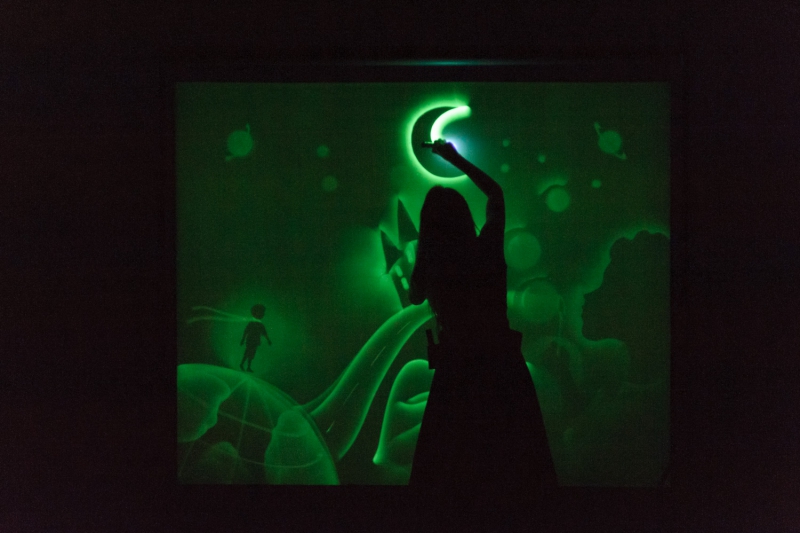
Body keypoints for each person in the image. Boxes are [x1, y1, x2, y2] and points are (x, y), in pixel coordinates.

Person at [408, 140, 556, 500]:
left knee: (452, 464)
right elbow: (495, 194)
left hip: (457, 370)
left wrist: (426, 247)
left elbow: (414, 295)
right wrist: (455, 159)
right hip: (501, 365)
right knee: (514, 461)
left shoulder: (434, 265)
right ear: (463, 217)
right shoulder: (486, 248)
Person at [239, 304, 271, 372]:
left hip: (255, 341)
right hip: (251, 340)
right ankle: (243, 364)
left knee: (251, 353)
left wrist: (268, 340)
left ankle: (247, 366)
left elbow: (264, 333)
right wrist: (242, 339)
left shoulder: (260, 325)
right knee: (248, 352)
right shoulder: (252, 323)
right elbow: (246, 331)